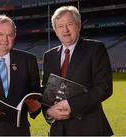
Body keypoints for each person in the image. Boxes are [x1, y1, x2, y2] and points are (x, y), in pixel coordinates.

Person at [42, 6, 113, 136]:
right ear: (55, 30)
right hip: (58, 130)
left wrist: (71, 104)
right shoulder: (49, 56)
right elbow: (47, 92)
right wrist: (48, 112)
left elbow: (104, 87)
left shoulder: (95, 49)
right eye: (60, 26)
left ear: (78, 25)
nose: (65, 30)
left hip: (89, 128)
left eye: (69, 24)